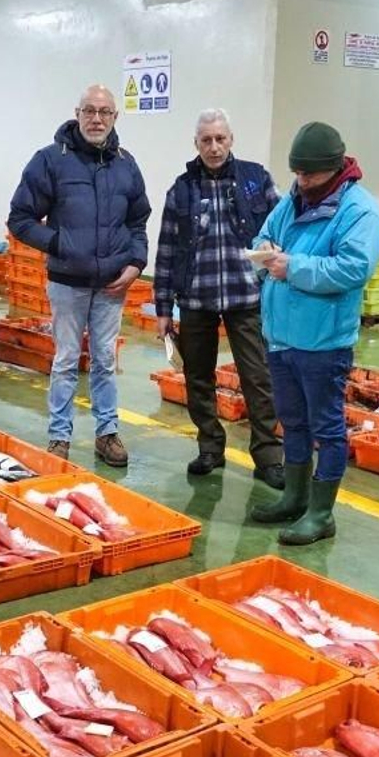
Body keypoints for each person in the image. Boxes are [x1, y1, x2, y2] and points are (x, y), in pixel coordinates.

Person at [247, 121, 379, 545]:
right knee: (293, 422)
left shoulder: (360, 212)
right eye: (297, 173)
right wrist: (265, 251)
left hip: (324, 343)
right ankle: (295, 497)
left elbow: (353, 268)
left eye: (309, 174)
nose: (301, 181)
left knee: (326, 428)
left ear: (333, 168)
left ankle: (322, 513)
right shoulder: (294, 200)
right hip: (282, 338)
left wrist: (293, 267)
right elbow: (265, 234)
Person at [8, 85, 151, 466]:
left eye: (104, 112)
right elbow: (19, 219)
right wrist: (59, 244)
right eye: (89, 111)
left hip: (112, 286)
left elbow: (139, 220)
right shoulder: (51, 160)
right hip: (67, 283)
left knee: (105, 360)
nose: (96, 119)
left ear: (115, 117)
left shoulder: (126, 164)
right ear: (77, 113)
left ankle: (107, 433)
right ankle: (59, 437)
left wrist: (136, 262)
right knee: (67, 360)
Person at [154, 108, 285, 489]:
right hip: (196, 298)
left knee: (257, 377)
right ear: (196, 144)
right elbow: (165, 251)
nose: (214, 147)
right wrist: (163, 308)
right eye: (206, 140)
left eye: (220, 139)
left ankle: (268, 455)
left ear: (231, 140)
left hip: (247, 297)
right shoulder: (181, 189)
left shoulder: (255, 179)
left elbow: (281, 230)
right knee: (197, 377)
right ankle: (210, 447)